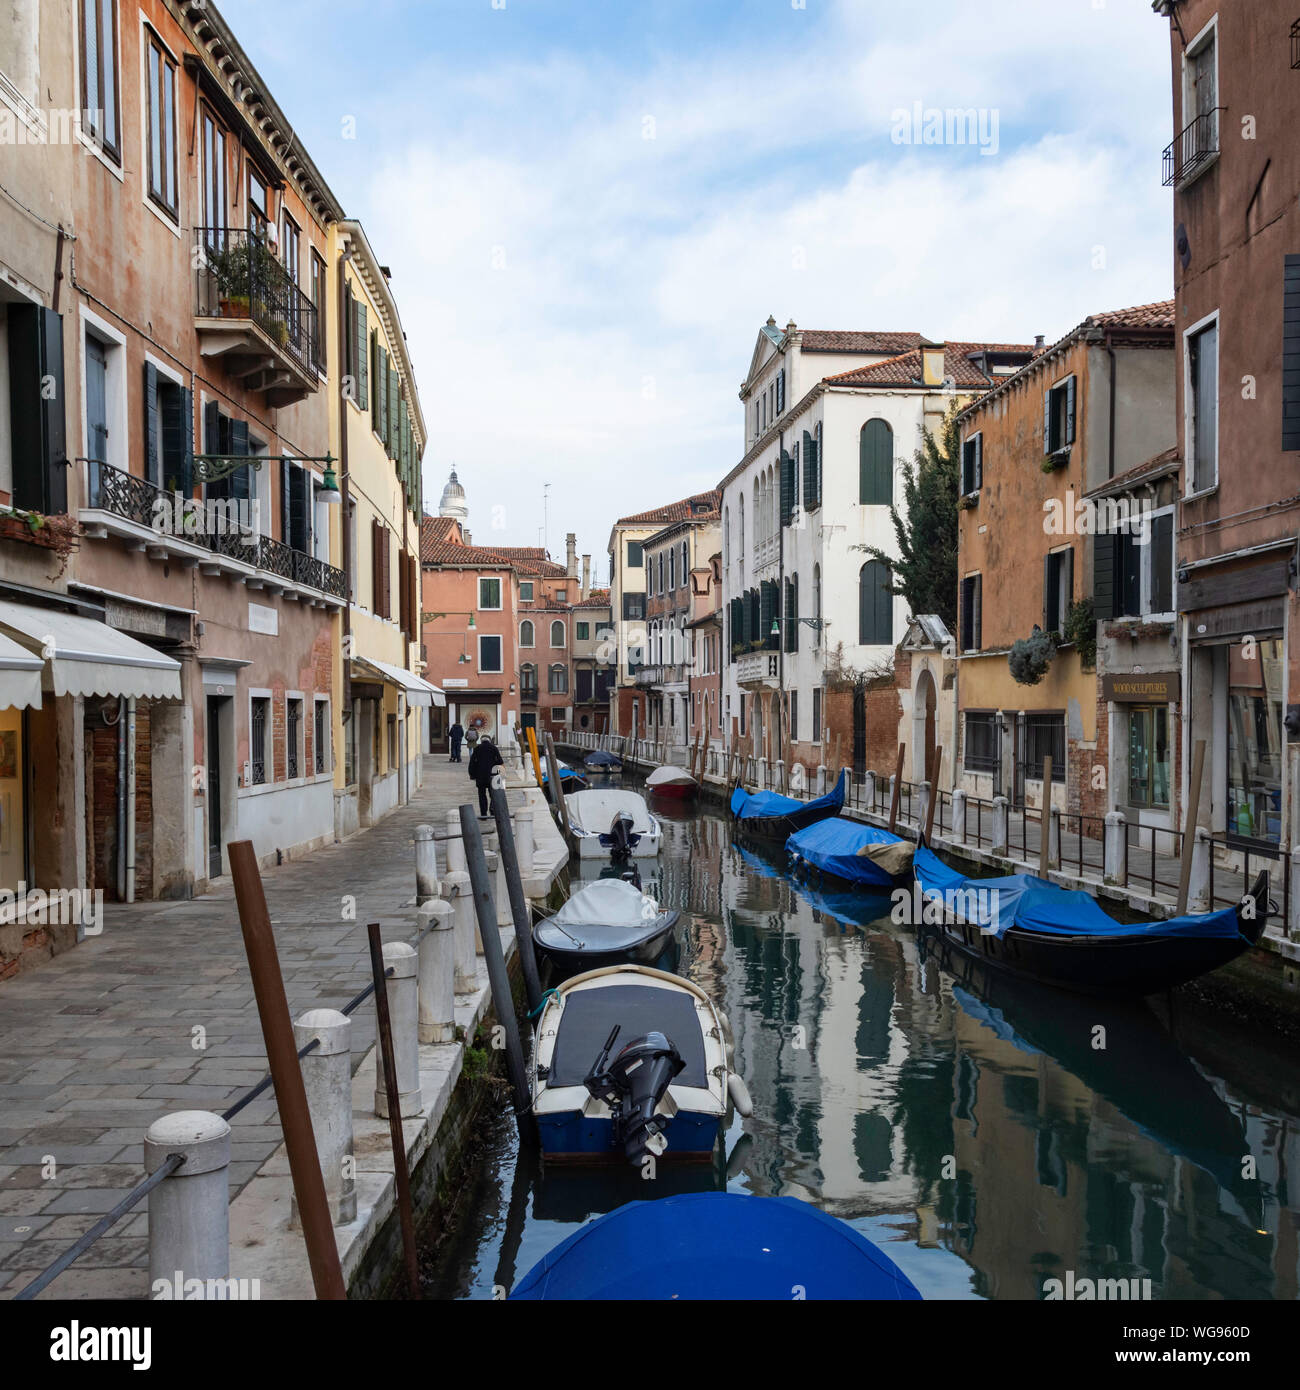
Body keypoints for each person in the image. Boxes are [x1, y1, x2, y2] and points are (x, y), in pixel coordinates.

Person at [467, 735, 501, 817]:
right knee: (493, 794)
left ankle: (483, 813)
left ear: (481, 741)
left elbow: (472, 763)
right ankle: (492, 810)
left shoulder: (477, 749)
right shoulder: (494, 748)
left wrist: (472, 775)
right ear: (489, 741)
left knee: (482, 795)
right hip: (492, 775)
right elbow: (500, 761)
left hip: (480, 776)